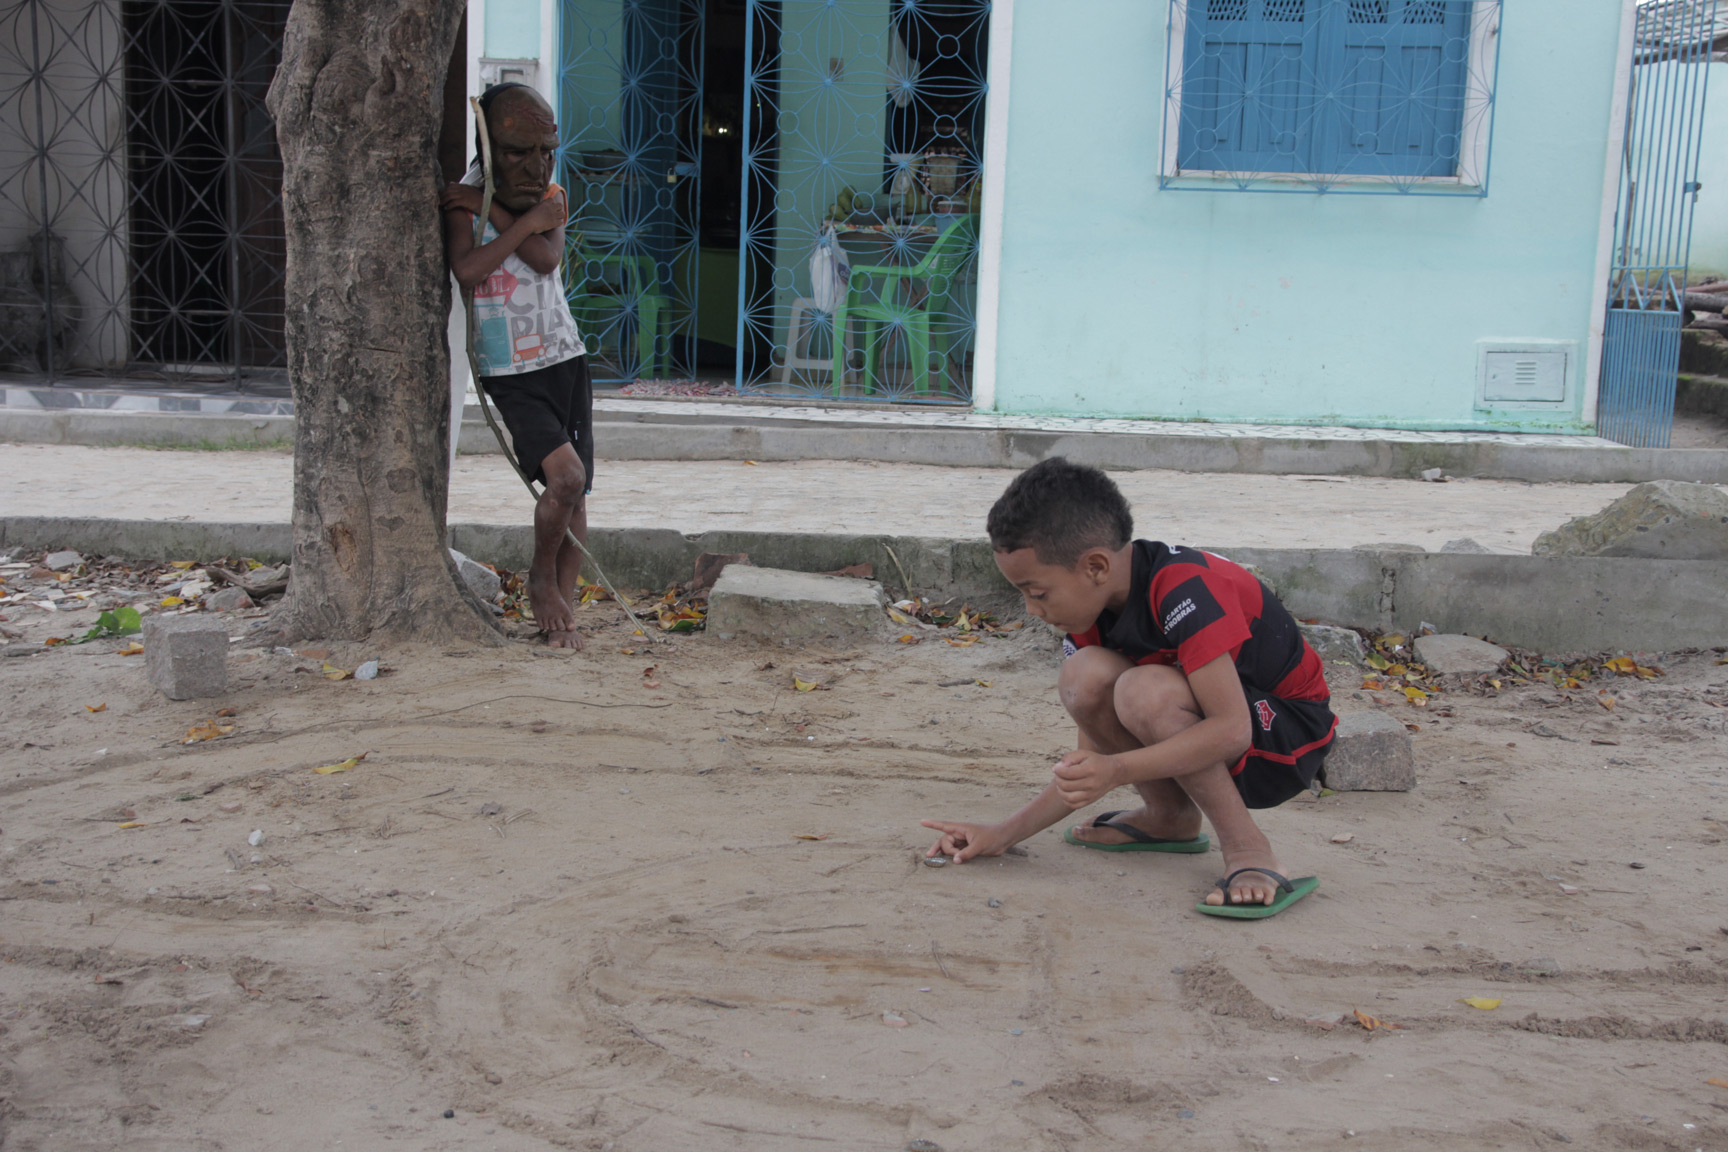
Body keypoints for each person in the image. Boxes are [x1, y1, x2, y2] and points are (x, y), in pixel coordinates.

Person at [921, 458, 1336, 918]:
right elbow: (1089, 765)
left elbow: (1232, 730)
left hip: (1286, 739)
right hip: (1218, 739)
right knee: (1084, 675)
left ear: (1096, 566)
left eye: (1037, 593)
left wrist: (1117, 770)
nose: (1031, 610)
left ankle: (1249, 849)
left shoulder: (1184, 589)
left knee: (1145, 690)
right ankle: (1169, 817)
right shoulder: (1092, 614)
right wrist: (1003, 834)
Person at [442, 82, 591, 649]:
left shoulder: (549, 196)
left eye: (546, 151)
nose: (535, 166)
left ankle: (564, 610)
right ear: (488, 150)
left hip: (565, 357)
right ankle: (540, 581)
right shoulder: (465, 200)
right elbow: (467, 270)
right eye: (517, 152)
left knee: (577, 493)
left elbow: (546, 258)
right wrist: (502, 214)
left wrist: (511, 217)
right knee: (566, 478)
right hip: (510, 370)